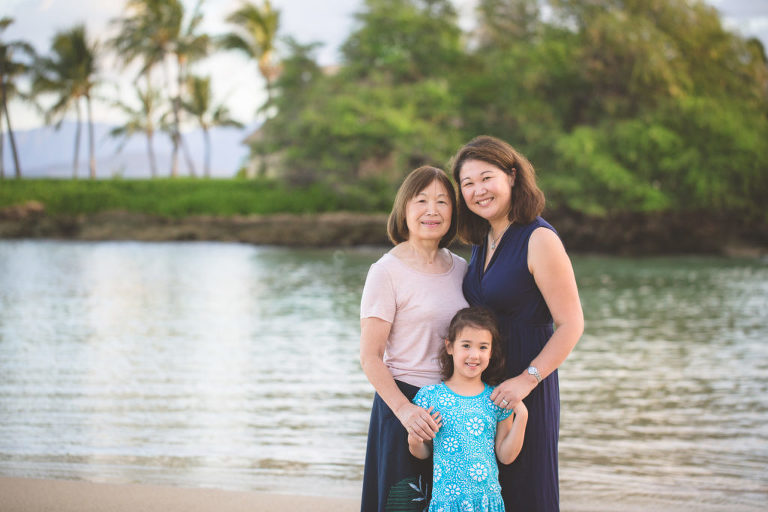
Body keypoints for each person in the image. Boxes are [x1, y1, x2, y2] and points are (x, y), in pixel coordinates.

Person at [451, 135, 584, 512]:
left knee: (527, 492)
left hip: (526, 386)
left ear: (511, 176)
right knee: (483, 493)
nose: (478, 190)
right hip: (485, 388)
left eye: (486, 177)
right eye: (467, 183)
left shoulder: (539, 238)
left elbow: (571, 324)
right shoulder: (483, 238)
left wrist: (526, 380)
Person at [359, 165, 470, 512]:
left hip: (455, 407)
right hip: (404, 405)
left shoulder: (463, 268)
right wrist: (405, 411)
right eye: (421, 200)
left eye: (442, 201)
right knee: (404, 505)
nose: (432, 211)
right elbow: (371, 357)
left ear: (454, 211)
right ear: (404, 209)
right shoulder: (386, 272)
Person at [409, 307, 528, 512]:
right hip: (447, 503)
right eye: (466, 345)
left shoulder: (496, 399)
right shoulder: (430, 397)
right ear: (450, 346)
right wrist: (414, 440)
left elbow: (506, 456)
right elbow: (423, 452)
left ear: (491, 352)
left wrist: (522, 415)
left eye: (483, 347)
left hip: (486, 502)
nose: (474, 355)